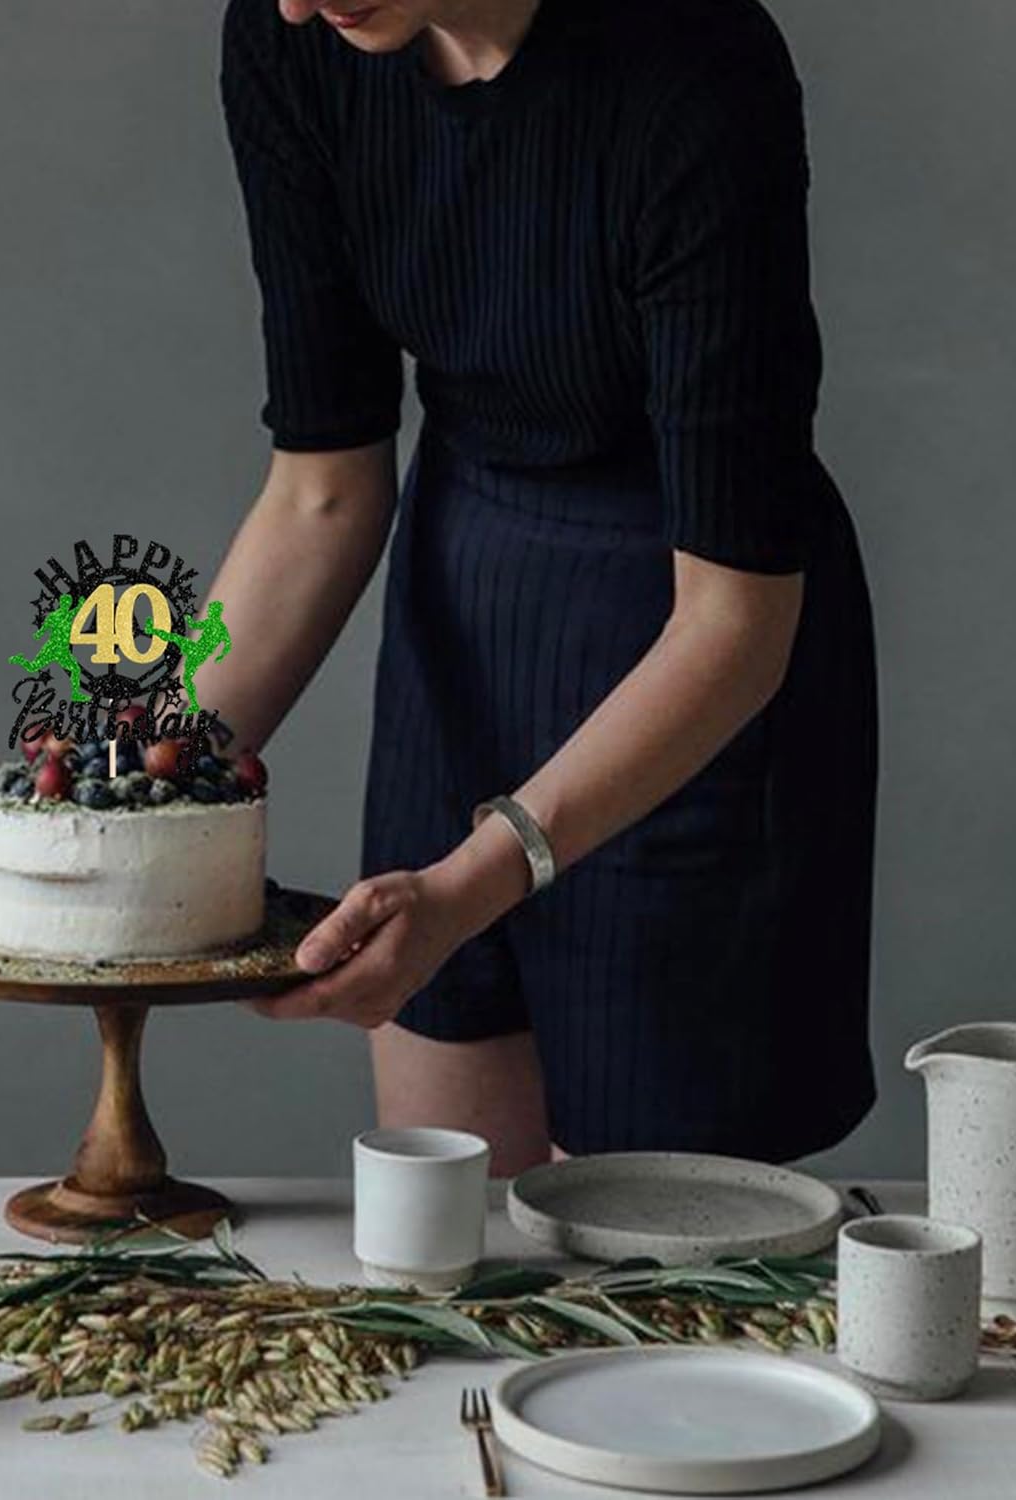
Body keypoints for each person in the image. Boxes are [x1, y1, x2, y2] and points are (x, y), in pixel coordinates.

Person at [189, 0, 878, 1173]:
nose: (299, 0)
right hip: (462, 619)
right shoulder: (296, 36)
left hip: (689, 666)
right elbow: (321, 492)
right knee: (442, 1237)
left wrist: (472, 885)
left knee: (652, 1263)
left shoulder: (697, 68)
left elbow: (736, 619)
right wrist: (122, 803)